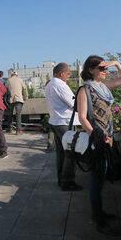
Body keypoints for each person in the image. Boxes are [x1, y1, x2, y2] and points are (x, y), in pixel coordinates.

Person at [77, 55, 121, 236]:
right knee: (97, 180)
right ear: (91, 70)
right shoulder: (85, 90)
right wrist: (96, 136)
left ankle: (100, 213)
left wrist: (115, 63)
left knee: (101, 179)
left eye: (105, 68)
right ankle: (99, 219)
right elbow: (82, 117)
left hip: (108, 137)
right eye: (101, 68)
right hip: (98, 141)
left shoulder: (103, 87)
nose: (105, 71)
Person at [44, 62, 82, 191]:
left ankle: (61, 179)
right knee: (71, 153)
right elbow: (74, 104)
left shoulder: (50, 84)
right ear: (61, 73)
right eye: (68, 73)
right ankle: (67, 181)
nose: (68, 76)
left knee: (61, 153)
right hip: (65, 122)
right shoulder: (60, 85)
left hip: (56, 122)